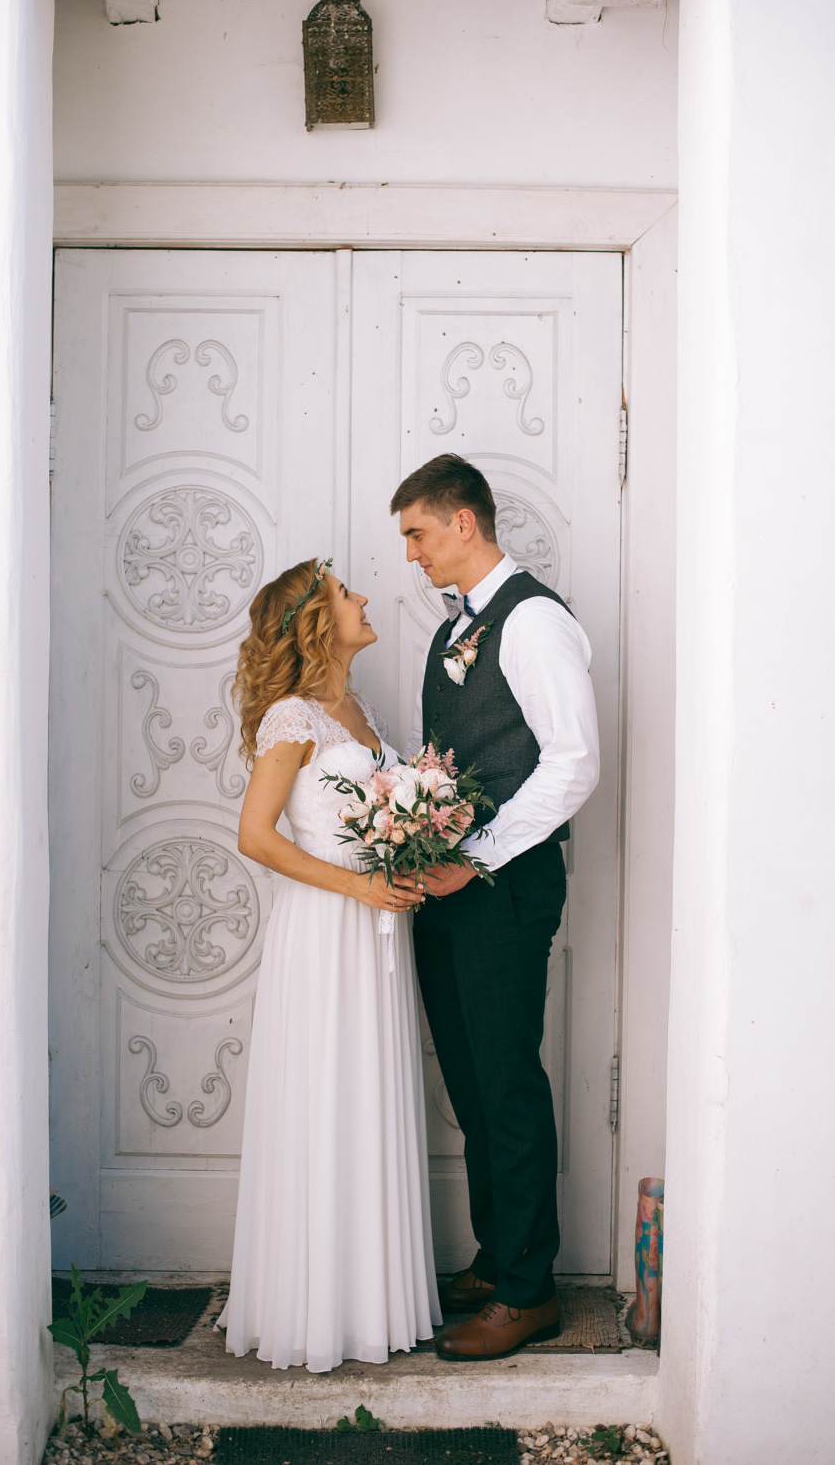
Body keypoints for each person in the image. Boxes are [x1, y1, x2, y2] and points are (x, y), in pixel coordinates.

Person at [390, 455, 600, 1361]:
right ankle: (496, 1253)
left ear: (464, 522)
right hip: (450, 888)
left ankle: (528, 1291)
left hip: (504, 887)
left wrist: (472, 858)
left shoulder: (533, 620)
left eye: (418, 534)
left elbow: (573, 762)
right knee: (473, 1082)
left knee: (506, 1080)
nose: (412, 554)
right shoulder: (457, 626)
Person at [217, 556, 441, 1372]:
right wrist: (357, 884)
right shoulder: (292, 716)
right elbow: (256, 835)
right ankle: (308, 1309)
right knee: (322, 1095)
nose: (365, 597)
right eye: (347, 594)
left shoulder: (359, 709)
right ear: (315, 621)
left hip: (375, 932)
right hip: (323, 930)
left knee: (366, 1093)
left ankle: (368, 1301)